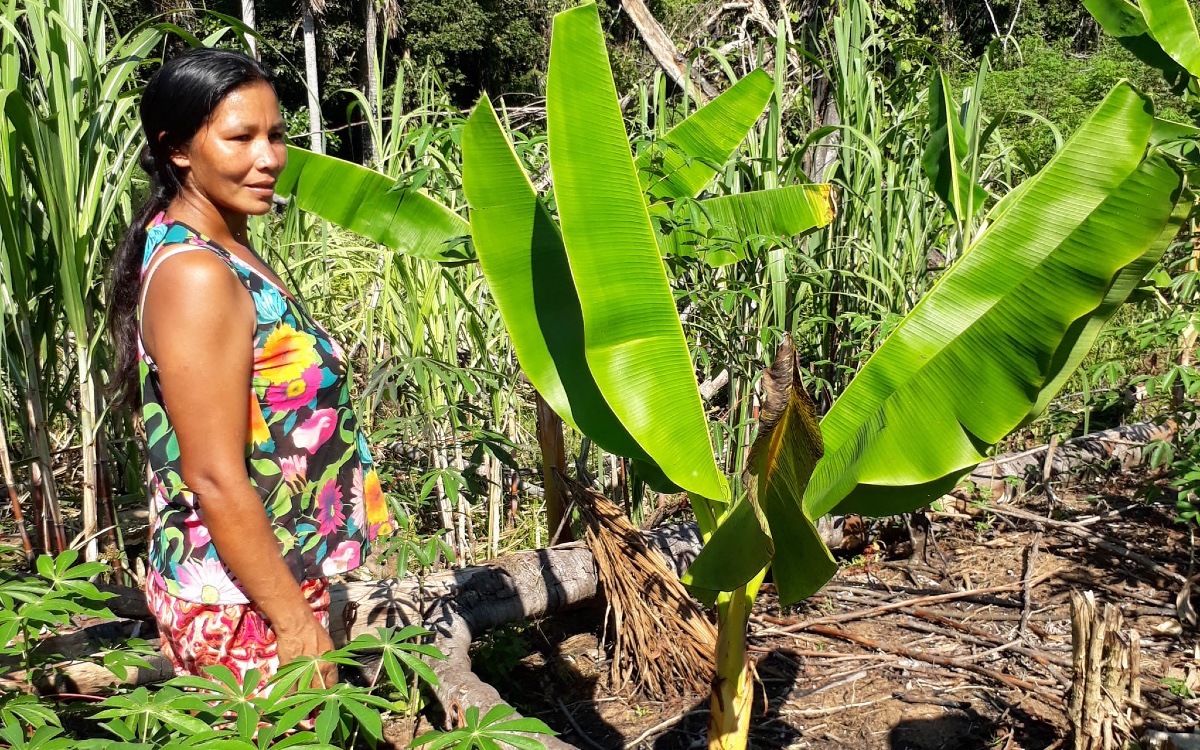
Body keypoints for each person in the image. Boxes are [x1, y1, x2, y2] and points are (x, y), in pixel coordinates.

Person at [106, 48, 393, 694]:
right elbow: (211, 474)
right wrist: (295, 626)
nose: (269, 158)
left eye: (276, 135)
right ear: (177, 149)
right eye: (241, 138)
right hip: (241, 602)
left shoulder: (220, 245)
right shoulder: (197, 275)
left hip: (262, 577)